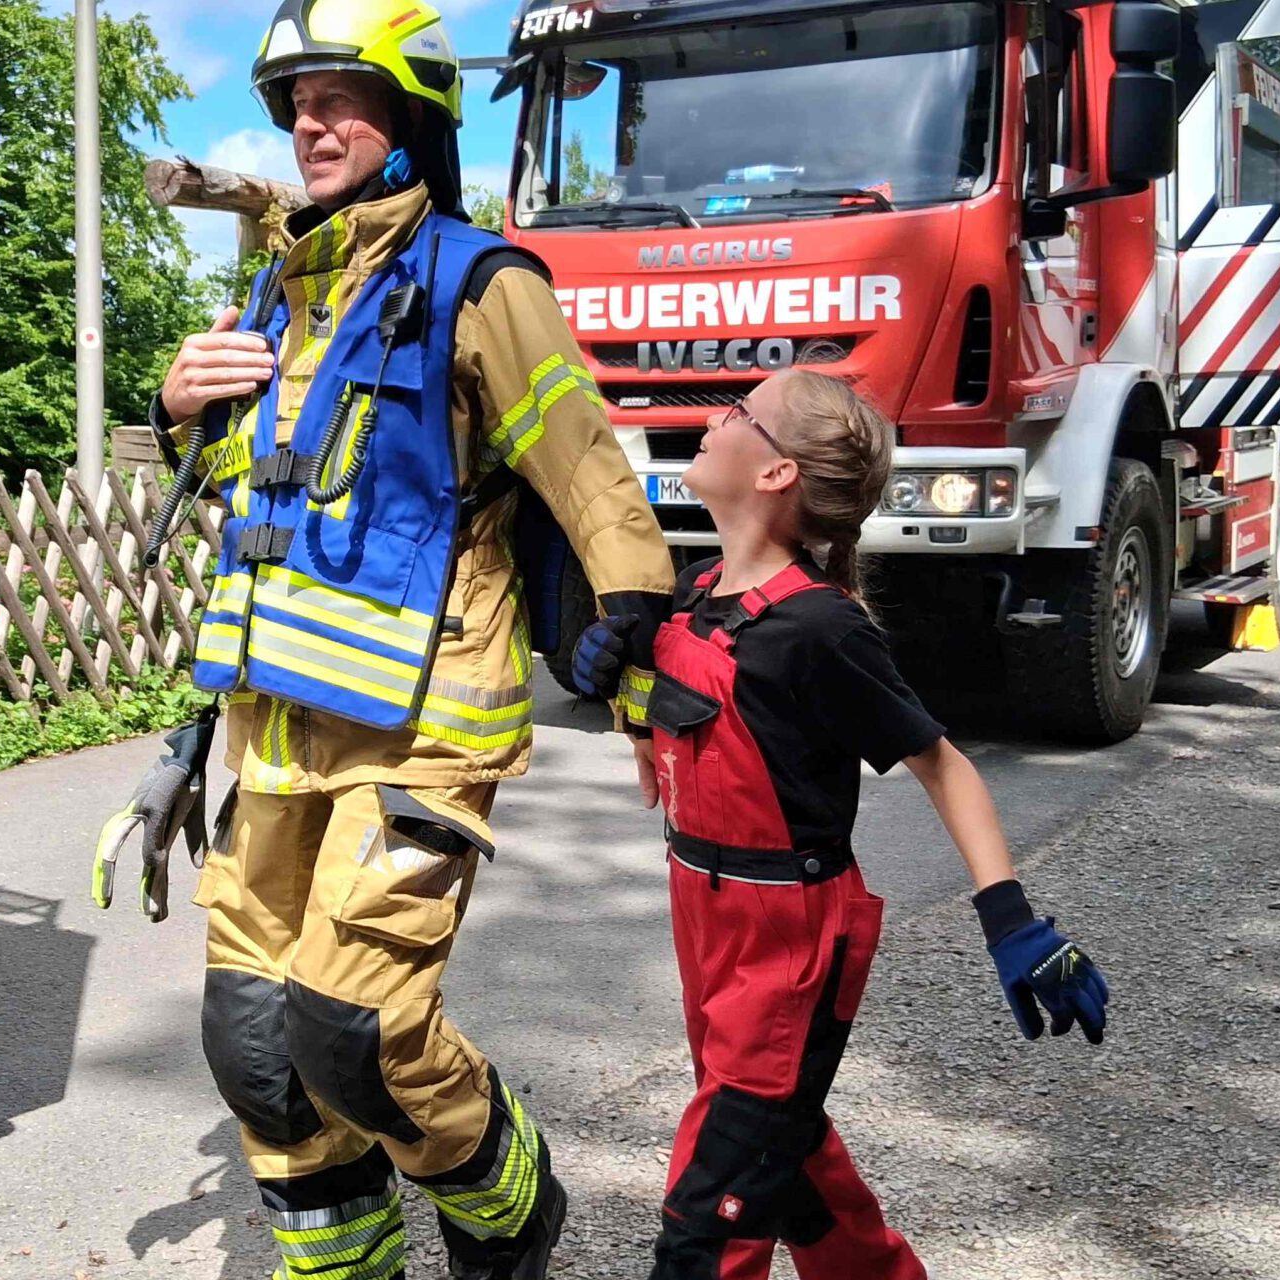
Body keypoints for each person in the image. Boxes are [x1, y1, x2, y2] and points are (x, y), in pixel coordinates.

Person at [144, 2, 674, 1276]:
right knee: (257, 1042)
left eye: (339, 96)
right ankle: (346, 1262)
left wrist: (638, 624)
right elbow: (261, 490)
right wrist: (177, 410)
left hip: (427, 717)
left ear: (411, 116)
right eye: (292, 103)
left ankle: (508, 1202)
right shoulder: (277, 290)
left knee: (355, 1030)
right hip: (276, 716)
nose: (308, 123)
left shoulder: (483, 282)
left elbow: (586, 466)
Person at [569, 370, 1108, 1280]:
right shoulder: (697, 591)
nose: (715, 417)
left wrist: (1010, 921)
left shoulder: (822, 629)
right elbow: (671, 743)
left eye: (740, 413)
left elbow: (944, 763)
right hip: (705, 920)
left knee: (713, 1216)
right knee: (786, 1154)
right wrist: (619, 685)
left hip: (785, 947)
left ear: (776, 474)